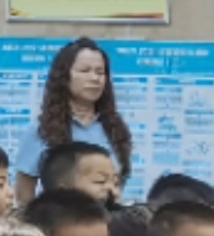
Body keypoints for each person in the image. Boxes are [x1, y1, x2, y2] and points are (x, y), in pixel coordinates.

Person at [11, 35, 133, 197]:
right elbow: (24, 193)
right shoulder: (42, 130)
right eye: (85, 71)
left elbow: (118, 186)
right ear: (64, 76)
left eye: (100, 72)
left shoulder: (114, 128)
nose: (94, 78)